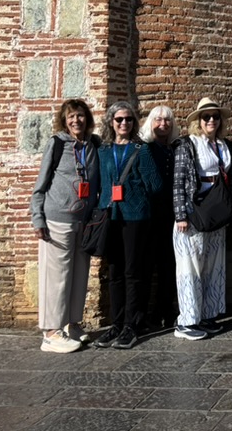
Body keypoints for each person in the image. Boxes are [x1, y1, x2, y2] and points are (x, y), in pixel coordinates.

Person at [30, 99, 100, 353]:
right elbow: (41, 183)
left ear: (87, 118)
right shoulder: (57, 144)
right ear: (64, 120)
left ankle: (72, 324)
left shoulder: (93, 145)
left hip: (84, 220)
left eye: (80, 116)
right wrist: (37, 218)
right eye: (71, 117)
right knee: (57, 277)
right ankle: (50, 332)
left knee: (79, 275)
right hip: (57, 219)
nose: (76, 121)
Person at [93, 102, 161, 349]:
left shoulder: (141, 150)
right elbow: (100, 181)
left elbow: (155, 184)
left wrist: (136, 191)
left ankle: (132, 325)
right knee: (115, 272)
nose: (124, 124)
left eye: (129, 120)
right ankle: (116, 323)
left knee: (133, 272)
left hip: (135, 217)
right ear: (111, 122)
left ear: (134, 123)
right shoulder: (103, 150)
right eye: (119, 119)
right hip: (111, 216)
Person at [173, 98, 232, 341]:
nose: (211, 120)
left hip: (216, 213)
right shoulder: (187, 145)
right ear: (198, 121)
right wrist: (180, 215)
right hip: (194, 212)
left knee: (214, 266)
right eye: (206, 117)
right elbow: (178, 181)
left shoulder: (224, 145)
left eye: (215, 116)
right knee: (190, 268)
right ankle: (187, 320)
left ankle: (208, 315)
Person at [140, 105, 178, 329]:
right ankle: (144, 314)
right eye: (158, 120)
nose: (163, 124)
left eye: (167, 120)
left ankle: (165, 309)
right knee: (146, 267)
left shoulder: (174, 149)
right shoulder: (145, 148)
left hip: (170, 215)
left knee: (168, 265)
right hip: (149, 215)